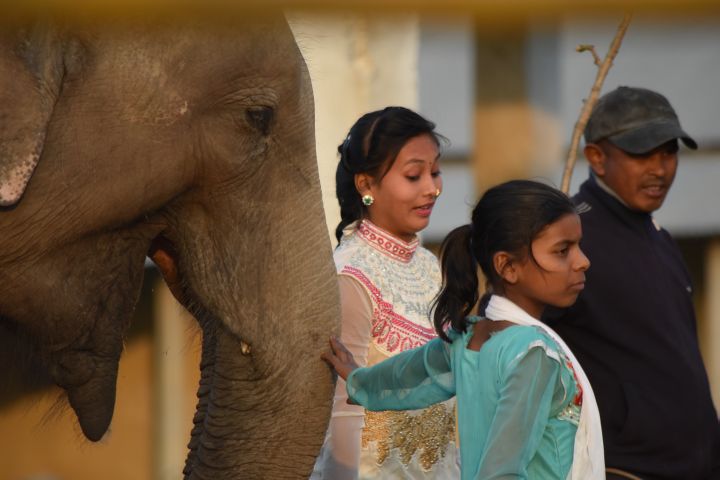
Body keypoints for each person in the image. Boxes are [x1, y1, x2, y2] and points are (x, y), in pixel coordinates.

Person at [322, 180, 606, 480]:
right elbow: (502, 472)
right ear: (508, 267)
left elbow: (409, 374)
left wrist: (359, 381)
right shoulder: (534, 354)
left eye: (578, 247)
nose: (583, 262)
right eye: (563, 251)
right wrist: (359, 382)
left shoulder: (467, 339)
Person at [544, 86, 720, 479]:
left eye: (669, 152)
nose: (659, 169)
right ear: (596, 157)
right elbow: (512, 333)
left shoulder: (658, 236)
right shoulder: (569, 237)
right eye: (642, 154)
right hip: (625, 468)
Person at [311, 106, 460, 479]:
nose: (432, 188)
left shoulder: (429, 266)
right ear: (366, 185)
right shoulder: (351, 275)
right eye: (414, 175)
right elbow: (342, 416)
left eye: (435, 171)